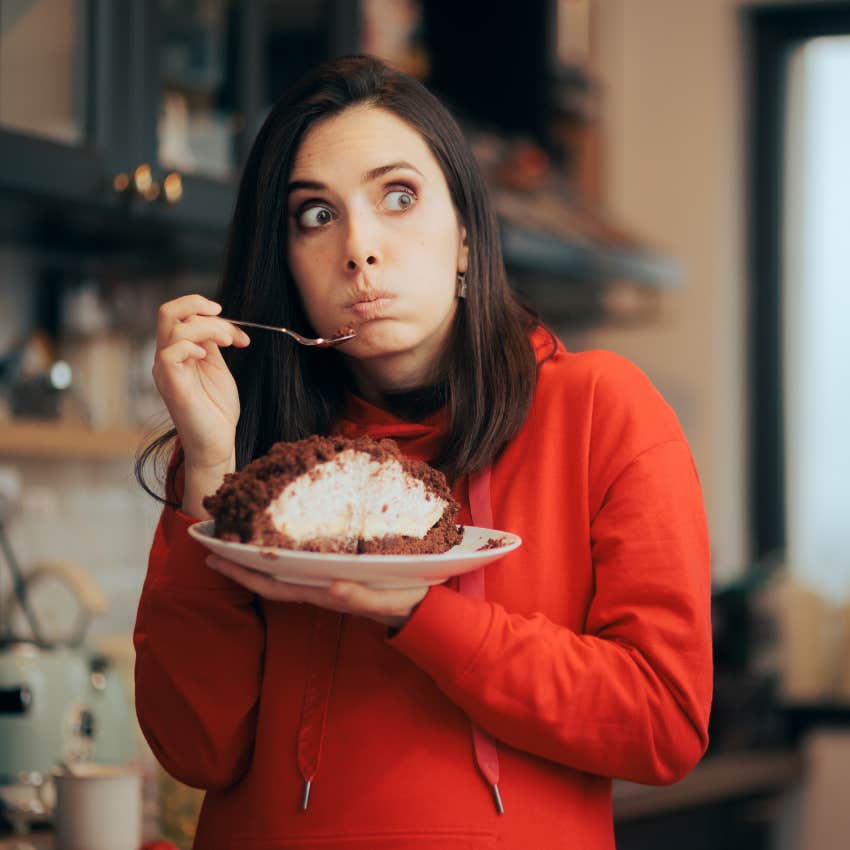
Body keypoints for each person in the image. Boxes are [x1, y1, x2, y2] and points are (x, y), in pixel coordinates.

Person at [134, 54, 712, 850]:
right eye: (314, 215)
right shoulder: (251, 458)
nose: (358, 248)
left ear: (468, 235)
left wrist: (420, 610)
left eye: (397, 197)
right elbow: (193, 749)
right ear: (285, 262)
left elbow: (663, 724)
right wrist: (206, 465)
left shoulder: (600, 409)